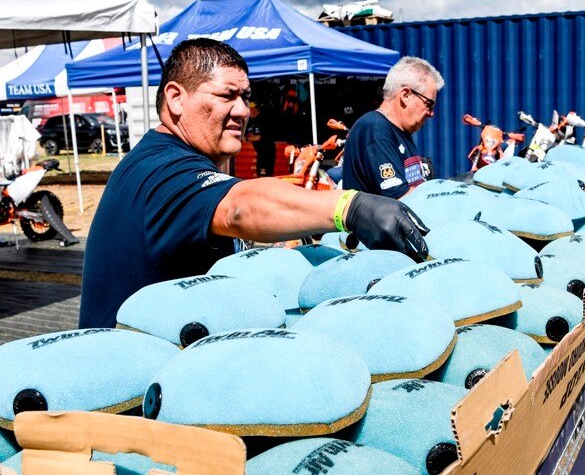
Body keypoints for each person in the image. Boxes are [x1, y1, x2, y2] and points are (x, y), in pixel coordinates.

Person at [79, 39, 429, 329]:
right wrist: (351, 206)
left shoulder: (171, 159)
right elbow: (239, 208)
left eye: (245, 97)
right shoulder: (162, 170)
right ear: (175, 98)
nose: (243, 110)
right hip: (128, 401)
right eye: (226, 95)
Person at [342, 56, 442, 198]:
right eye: (429, 104)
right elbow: (400, 199)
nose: (431, 113)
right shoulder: (375, 129)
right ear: (406, 95)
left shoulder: (400, 131)